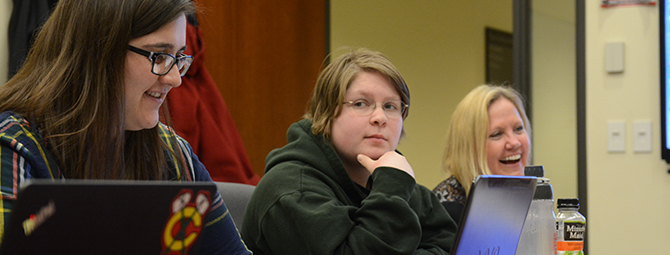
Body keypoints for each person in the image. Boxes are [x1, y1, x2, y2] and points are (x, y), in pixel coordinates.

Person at [0, 0, 251, 254]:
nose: (175, 79)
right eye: (159, 56)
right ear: (97, 52)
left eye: (179, 58)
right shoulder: (13, 146)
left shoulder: (172, 153)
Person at [241, 48, 457, 255]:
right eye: (361, 104)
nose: (380, 118)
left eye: (390, 106)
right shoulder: (291, 190)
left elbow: (450, 246)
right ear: (325, 114)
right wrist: (391, 190)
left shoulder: (400, 184)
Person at [432, 84, 532, 224]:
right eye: (497, 134)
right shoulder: (449, 212)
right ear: (469, 148)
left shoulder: (526, 202)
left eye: (518, 129)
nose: (514, 143)